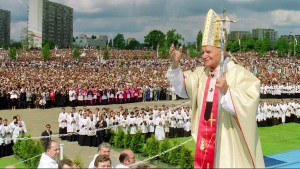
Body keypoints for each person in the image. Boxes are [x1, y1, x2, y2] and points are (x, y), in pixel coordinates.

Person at [166, 9, 265, 168]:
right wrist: (175, 64)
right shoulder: (201, 74)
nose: (203, 56)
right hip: (207, 141)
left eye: (208, 52)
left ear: (221, 51)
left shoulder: (238, 73)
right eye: (202, 52)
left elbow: (249, 105)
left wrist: (227, 91)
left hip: (229, 140)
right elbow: (182, 88)